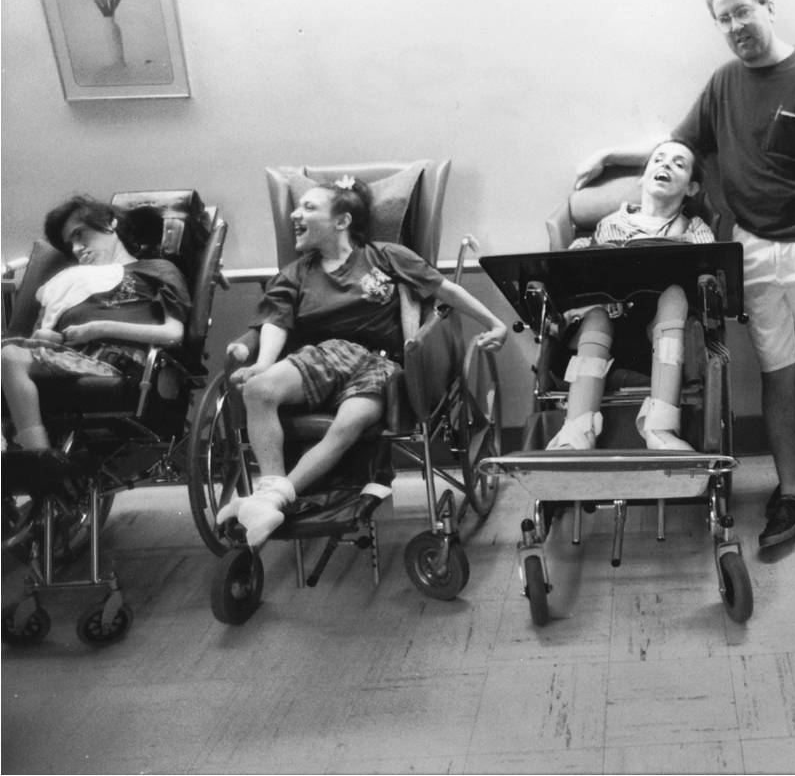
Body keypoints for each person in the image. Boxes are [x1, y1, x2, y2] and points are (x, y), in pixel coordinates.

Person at [574, 0, 795, 550]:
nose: (736, 27)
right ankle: (791, 492)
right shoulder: (723, 83)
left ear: (768, 6)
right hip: (753, 249)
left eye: (743, 12)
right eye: (724, 19)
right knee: (778, 373)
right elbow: (676, 145)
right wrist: (612, 155)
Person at [216, 177, 508, 548]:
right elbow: (275, 320)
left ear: (342, 221)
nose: (295, 214)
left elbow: (445, 290)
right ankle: (271, 493)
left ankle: (270, 500)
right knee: (258, 390)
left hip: (381, 366)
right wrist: (264, 364)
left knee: (350, 424)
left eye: (309, 207)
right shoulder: (296, 274)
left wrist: (495, 324)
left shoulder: (385, 255)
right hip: (325, 355)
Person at [548, 141, 716, 452]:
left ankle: (660, 427)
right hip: (610, 329)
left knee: (676, 294)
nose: (665, 165)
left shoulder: (695, 229)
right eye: (658, 159)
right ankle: (576, 432)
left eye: (678, 164)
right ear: (643, 177)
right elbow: (575, 277)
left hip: (664, 331)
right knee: (595, 315)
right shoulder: (610, 224)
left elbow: (711, 274)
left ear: (691, 188)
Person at [2, 195, 191, 452]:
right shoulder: (70, 283)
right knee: (10, 355)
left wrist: (98, 329)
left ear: (110, 224)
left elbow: (173, 333)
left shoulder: (156, 269)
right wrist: (53, 337)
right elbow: (53, 339)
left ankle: (37, 455)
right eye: (70, 244)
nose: (76, 248)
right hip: (69, 359)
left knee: (10, 357)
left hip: (121, 363)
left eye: (80, 234)